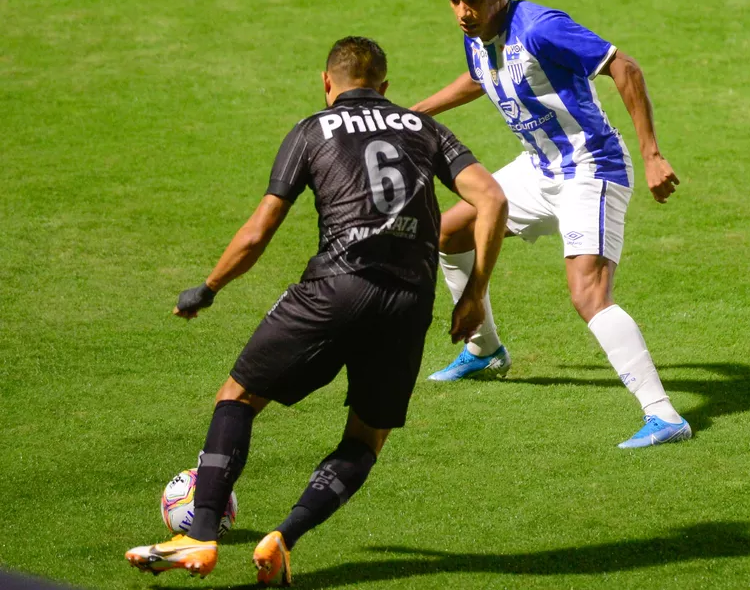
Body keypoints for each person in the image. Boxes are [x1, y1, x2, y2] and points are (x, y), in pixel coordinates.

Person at [124, 36, 507, 584]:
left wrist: (208, 288)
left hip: (335, 289)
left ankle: (201, 532)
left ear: (327, 83)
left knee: (237, 396)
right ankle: (283, 538)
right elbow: (490, 198)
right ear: (385, 89)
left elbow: (259, 232)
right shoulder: (426, 128)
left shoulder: (311, 129)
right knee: (365, 438)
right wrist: (472, 293)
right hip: (408, 302)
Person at [411, 0, 691, 449]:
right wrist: (416, 113)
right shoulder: (475, 31)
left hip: (591, 168)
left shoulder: (542, 27)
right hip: (538, 170)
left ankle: (664, 415)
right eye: (453, 0)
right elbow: (480, 77)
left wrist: (651, 154)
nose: (462, 11)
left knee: (588, 295)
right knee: (448, 233)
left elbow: (625, 67)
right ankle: (485, 350)